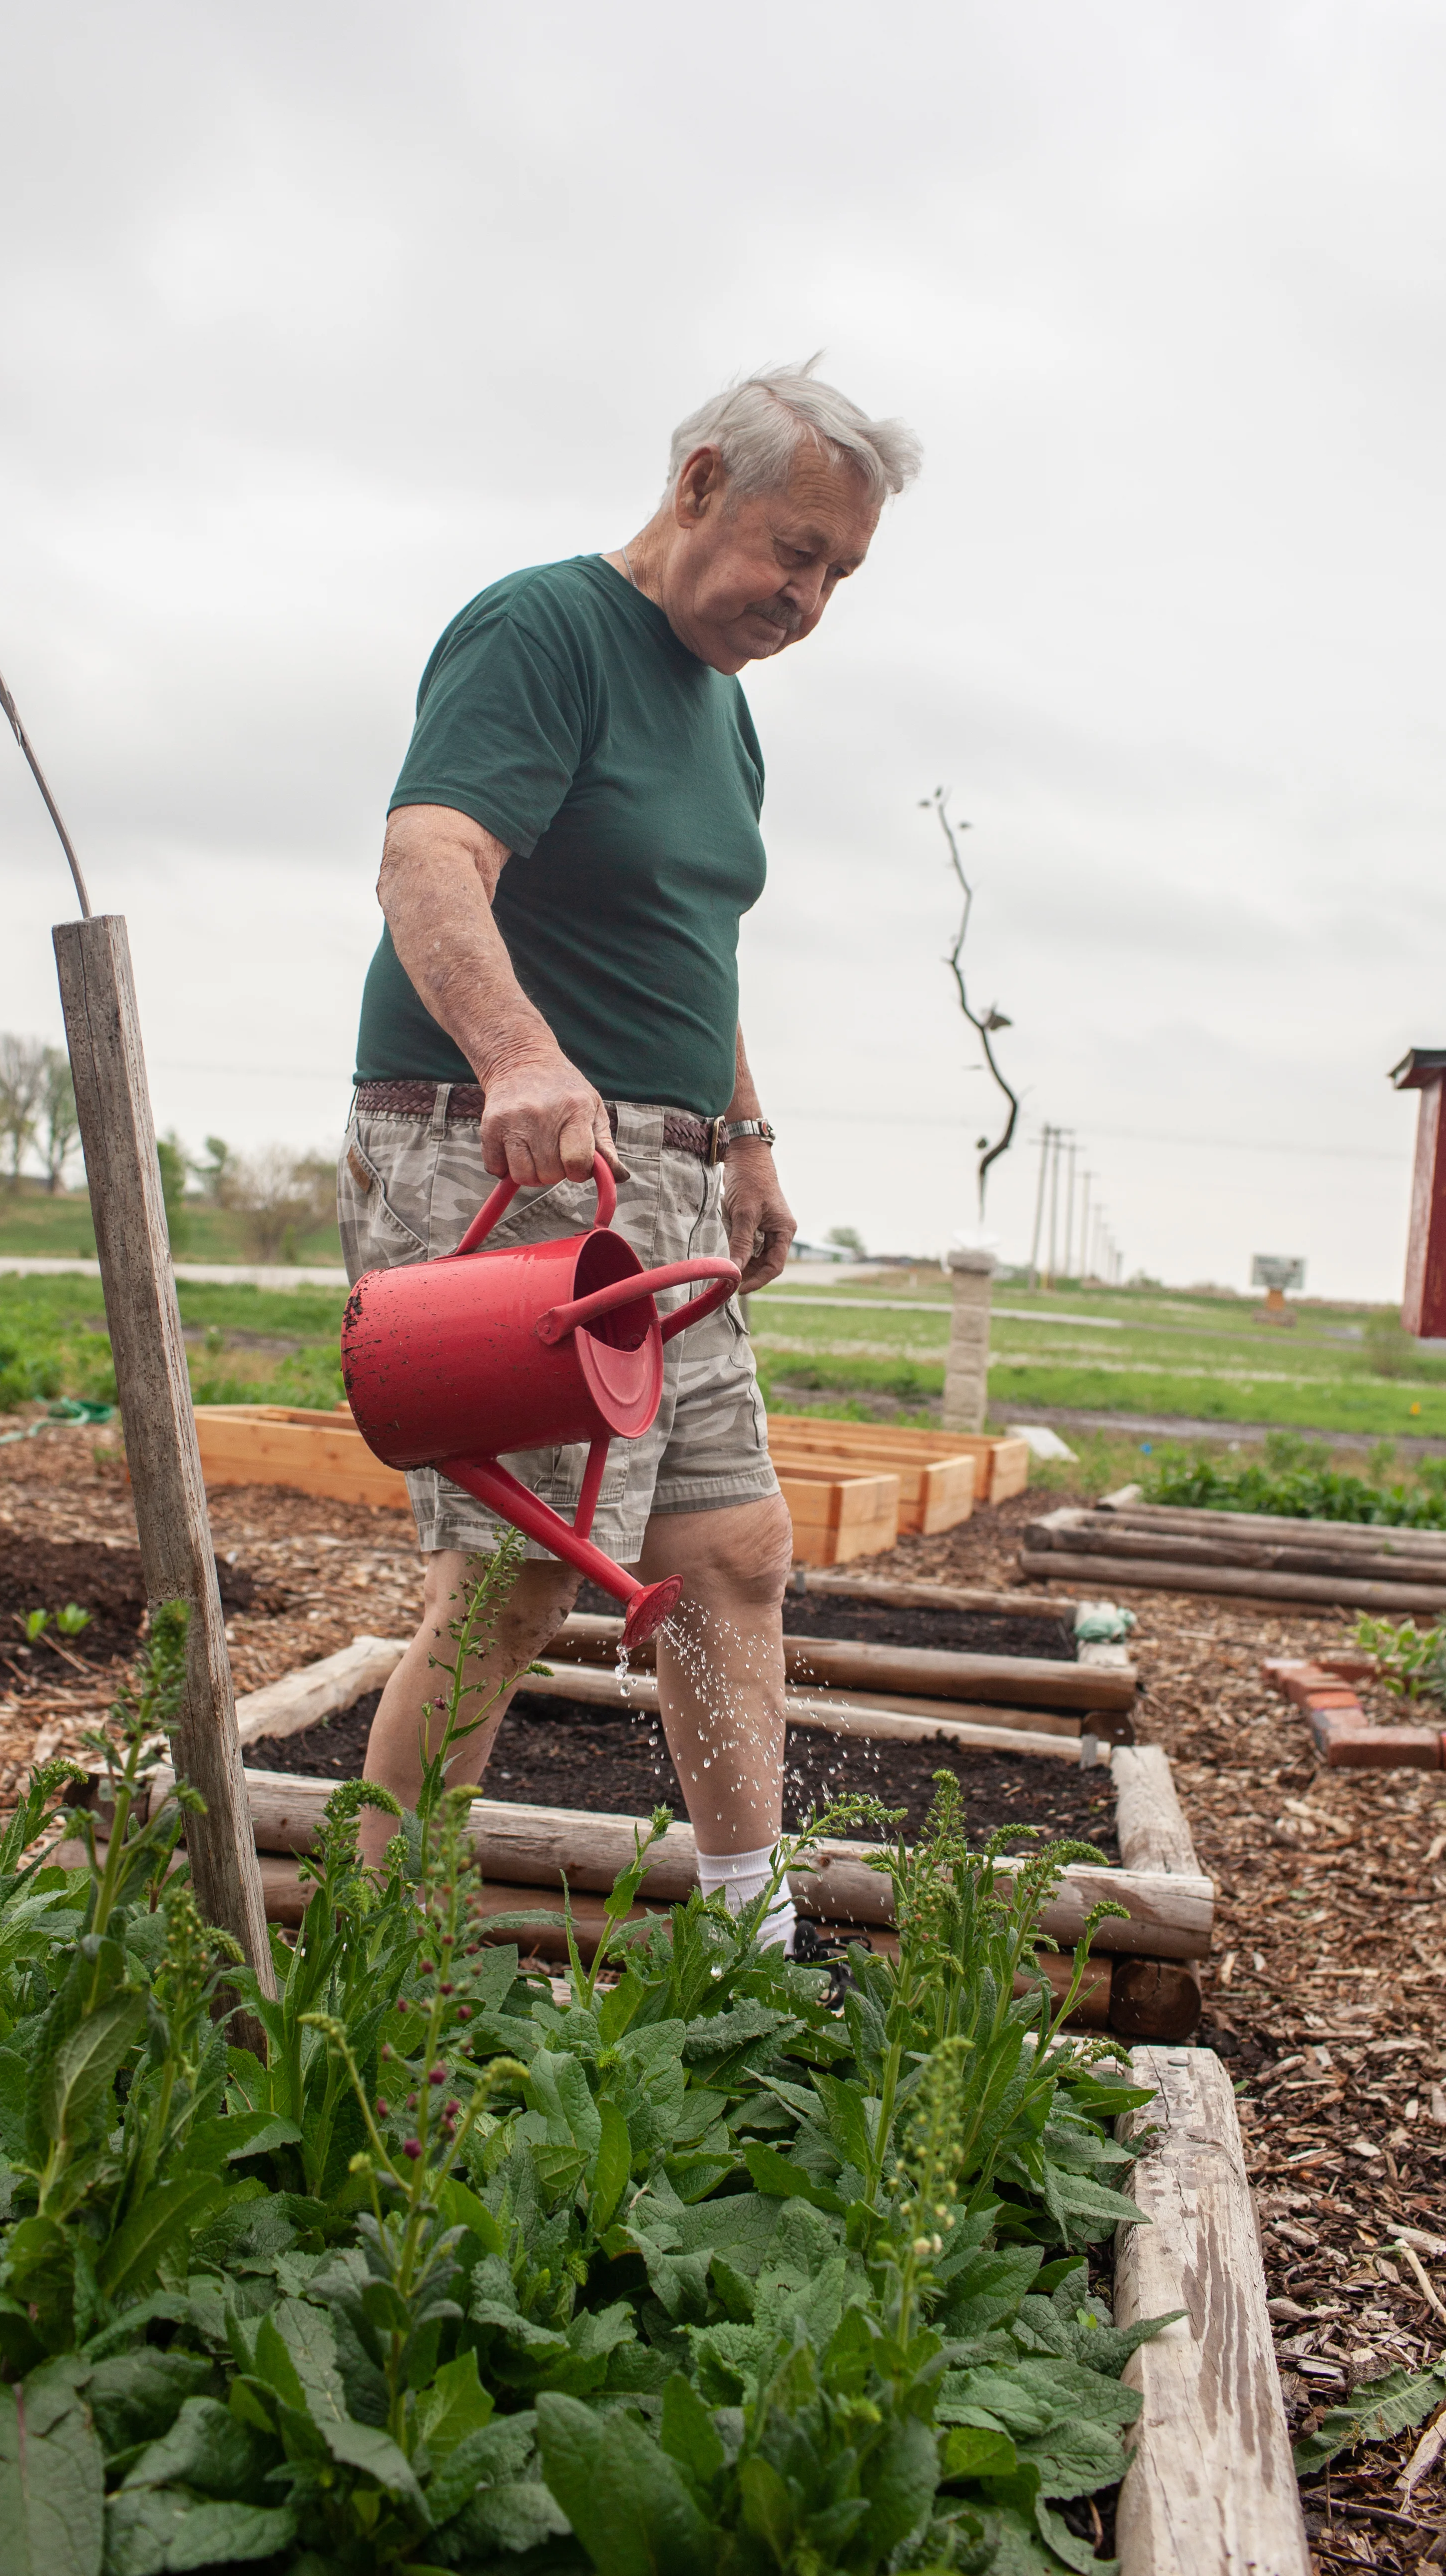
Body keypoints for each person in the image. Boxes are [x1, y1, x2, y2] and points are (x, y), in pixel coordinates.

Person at [340, 358, 920, 1950]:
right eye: (795, 553)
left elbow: (687, 940)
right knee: (515, 1581)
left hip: (660, 1178)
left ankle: (752, 1936)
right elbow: (426, 856)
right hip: (507, 1162)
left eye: (839, 576)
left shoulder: (724, 717)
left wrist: (744, 1139)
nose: (808, 597)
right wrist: (522, 1055)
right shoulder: (545, 631)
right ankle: (372, 1959)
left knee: (731, 1549)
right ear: (695, 490)